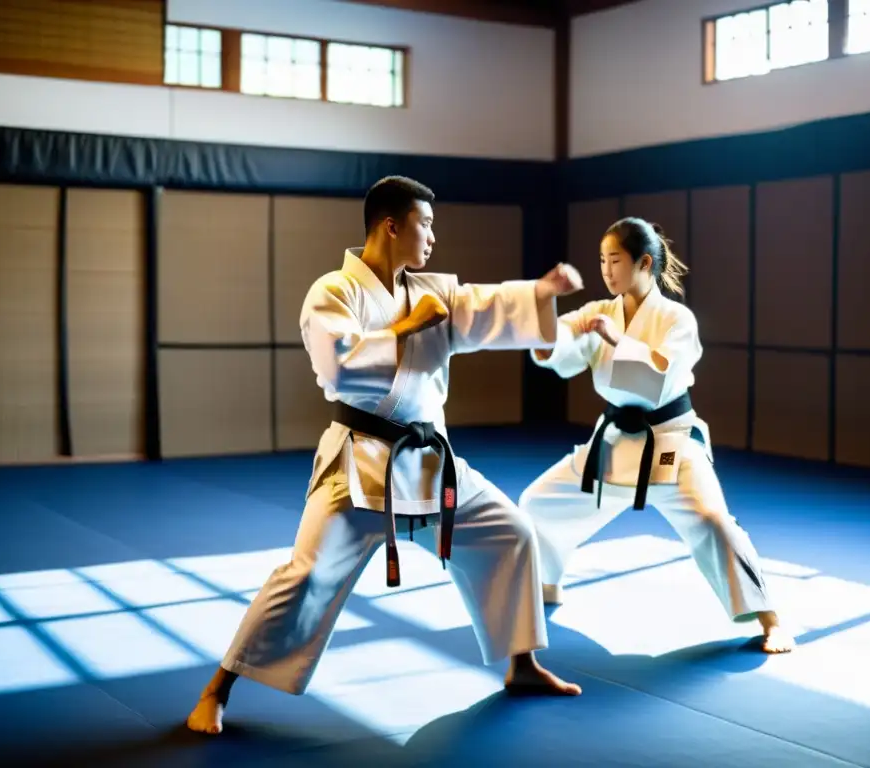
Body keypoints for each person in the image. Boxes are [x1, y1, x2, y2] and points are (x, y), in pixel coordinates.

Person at [187, 176, 585, 735]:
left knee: (511, 532)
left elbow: (482, 307)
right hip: (360, 466)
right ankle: (217, 688)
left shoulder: (434, 291)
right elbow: (337, 365)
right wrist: (405, 327)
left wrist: (539, 293)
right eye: (425, 224)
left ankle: (521, 665)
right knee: (304, 578)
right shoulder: (333, 291)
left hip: (428, 460)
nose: (432, 237)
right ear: (391, 225)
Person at [518, 217, 795, 654]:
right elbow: (556, 348)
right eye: (602, 261)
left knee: (712, 520)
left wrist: (616, 341)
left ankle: (770, 619)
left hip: (669, 440)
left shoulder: (676, 318)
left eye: (616, 260)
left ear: (644, 262)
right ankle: (548, 581)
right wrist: (546, 300)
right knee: (538, 503)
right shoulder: (598, 311)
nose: (606, 271)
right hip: (612, 443)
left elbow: (661, 379)